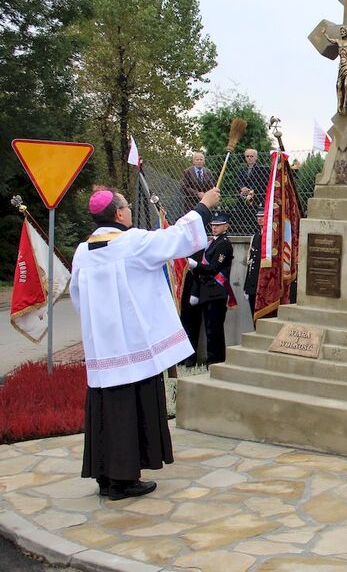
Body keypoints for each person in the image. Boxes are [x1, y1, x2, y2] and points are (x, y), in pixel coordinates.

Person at [70, 186, 220, 500]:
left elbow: (78, 300)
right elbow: (178, 238)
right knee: (129, 409)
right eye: (125, 206)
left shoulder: (82, 252)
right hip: (133, 346)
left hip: (103, 350)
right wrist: (204, 206)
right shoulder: (132, 243)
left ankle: (106, 476)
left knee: (105, 409)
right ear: (118, 214)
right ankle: (124, 480)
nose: (128, 210)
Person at [188, 212, 234, 365]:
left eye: (218, 225)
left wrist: (196, 265)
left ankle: (215, 361)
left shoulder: (224, 244)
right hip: (207, 291)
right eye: (213, 225)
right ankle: (211, 360)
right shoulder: (212, 242)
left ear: (226, 226)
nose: (214, 228)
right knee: (209, 328)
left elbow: (214, 268)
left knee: (214, 330)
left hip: (216, 292)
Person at [237, 149, 268, 234]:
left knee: (255, 215)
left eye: (251, 156)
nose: (249, 158)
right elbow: (238, 181)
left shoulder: (262, 169)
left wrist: (250, 189)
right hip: (244, 197)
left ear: (256, 157)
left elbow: (262, 182)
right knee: (243, 214)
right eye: (247, 156)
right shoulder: (242, 170)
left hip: (257, 197)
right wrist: (242, 188)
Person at [244, 206, 264, 323]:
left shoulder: (271, 238)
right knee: (254, 317)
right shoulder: (255, 237)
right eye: (258, 217)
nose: (259, 219)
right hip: (253, 284)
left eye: (262, 216)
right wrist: (247, 286)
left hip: (263, 284)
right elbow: (250, 263)